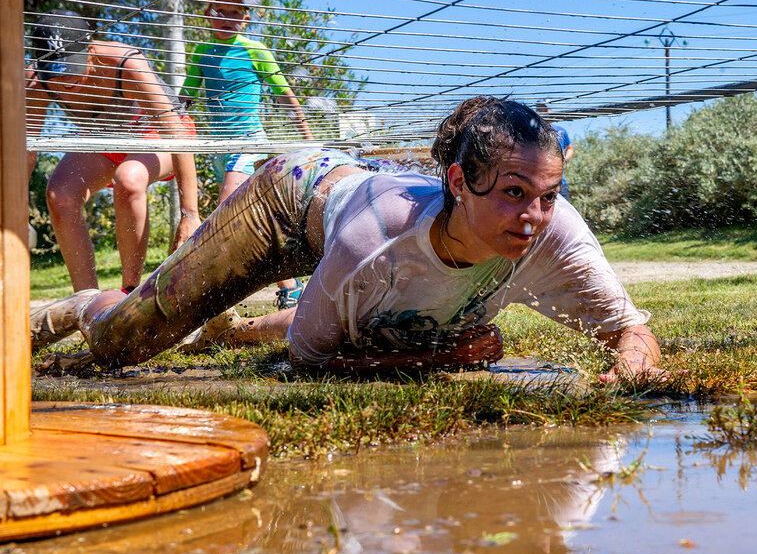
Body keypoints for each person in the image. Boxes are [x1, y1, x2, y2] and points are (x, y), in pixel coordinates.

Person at [31, 97, 662, 384]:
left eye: (549, 195)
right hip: (286, 200)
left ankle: (224, 326)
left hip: (347, 221)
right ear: (459, 183)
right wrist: (439, 359)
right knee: (123, 343)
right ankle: (72, 306)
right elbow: (308, 362)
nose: (534, 216)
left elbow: (632, 332)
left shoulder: (558, 232)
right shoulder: (377, 240)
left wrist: (626, 373)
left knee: (383, 319)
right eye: (514, 193)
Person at [25, 10, 200, 293]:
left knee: (129, 179)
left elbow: (174, 131)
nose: (63, 79)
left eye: (71, 67)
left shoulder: (125, 62)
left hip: (159, 134)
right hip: (104, 139)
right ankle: (86, 303)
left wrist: (189, 215)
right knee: (60, 195)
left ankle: (129, 293)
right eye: (54, 71)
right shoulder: (36, 82)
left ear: (91, 50)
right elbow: (26, 152)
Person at [181, 0, 315, 310]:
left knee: (226, 212)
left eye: (235, 13)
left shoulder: (255, 50)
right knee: (253, 219)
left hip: (249, 141)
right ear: (208, 16)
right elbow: (186, 97)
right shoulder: (201, 52)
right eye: (220, 12)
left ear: (245, 18)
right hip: (219, 148)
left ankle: (215, 292)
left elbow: (284, 93)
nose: (228, 19)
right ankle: (290, 286)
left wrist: (309, 138)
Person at [536, 102, 573, 199]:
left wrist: (564, 159)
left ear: (550, 111)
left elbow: (569, 149)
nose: (542, 112)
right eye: (540, 110)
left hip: (560, 182)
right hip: (539, 182)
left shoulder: (560, 131)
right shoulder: (533, 131)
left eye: (545, 109)